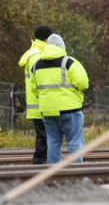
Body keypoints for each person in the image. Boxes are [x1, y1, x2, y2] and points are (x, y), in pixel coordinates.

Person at [32, 33, 90, 164]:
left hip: (48, 110)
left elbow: (34, 89)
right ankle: (76, 169)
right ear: (62, 46)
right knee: (75, 140)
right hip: (70, 109)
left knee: (53, 141)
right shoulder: (69, 62)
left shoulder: (36, 65)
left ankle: (53, 170)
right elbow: (83, 83)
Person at [19, 25, 54, 164]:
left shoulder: (35, 53)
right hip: (40, 103)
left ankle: (41, 161)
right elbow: (40, 78)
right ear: (47, 39)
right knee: (43, 136)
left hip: (38, 103)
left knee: (44, 135)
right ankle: (39, 162)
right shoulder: (37, 55)